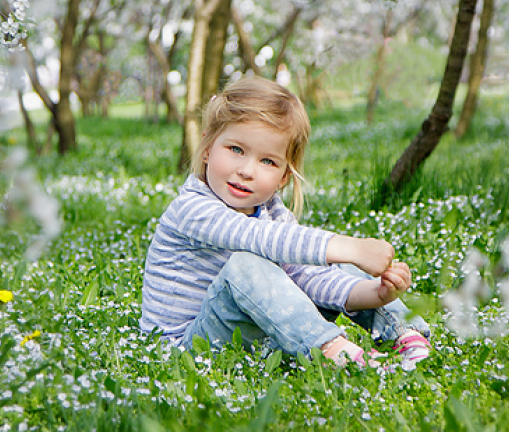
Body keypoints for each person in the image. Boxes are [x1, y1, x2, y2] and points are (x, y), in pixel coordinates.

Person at [140, 77, 430, 369]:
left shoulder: (272, 212)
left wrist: (375, 293)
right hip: (188, 348)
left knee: (326, 261)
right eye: (236, 150)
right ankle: (334, 352)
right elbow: (257, 238)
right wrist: (349, 246)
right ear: (207, 149)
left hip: (255, 334)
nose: (246, 170)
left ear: (283, 178)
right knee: (260, 260)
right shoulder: (192, 208)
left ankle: (405, 333)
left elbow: (309, 277)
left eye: (267, 161)